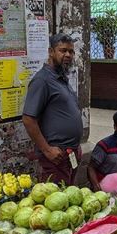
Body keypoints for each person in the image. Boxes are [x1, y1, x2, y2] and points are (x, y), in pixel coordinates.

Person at [22, 33, 83, 185]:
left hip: (70, 154)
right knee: (56, 201)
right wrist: (47, 150)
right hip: (56, 156)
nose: (68, 55)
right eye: (63, 51)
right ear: (51, 52)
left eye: (71, 51)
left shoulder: (62, 78)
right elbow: (29, 119)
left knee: (69, 200)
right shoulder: (42, 80)